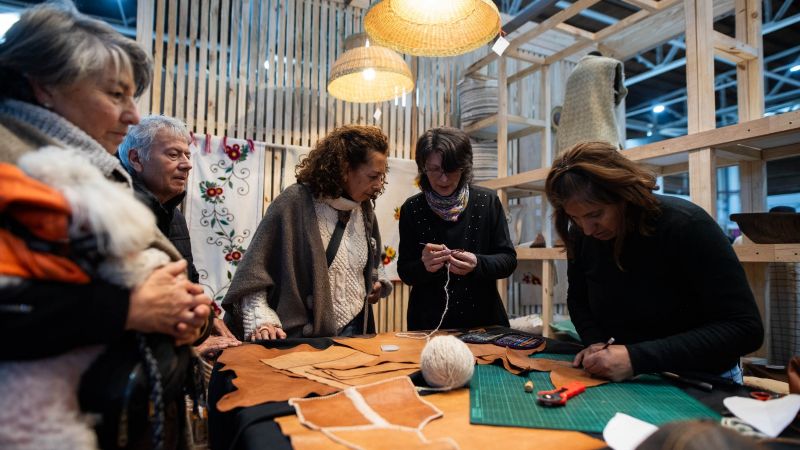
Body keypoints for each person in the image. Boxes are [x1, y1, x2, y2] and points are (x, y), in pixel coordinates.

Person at [0, 2, 211, 448]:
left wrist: (189, 315)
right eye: (116, 95)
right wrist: (129, 310)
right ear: (45, 86)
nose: (133, 115)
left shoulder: (92, 168)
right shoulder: (12, 160)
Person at [544, 141, 763, 382]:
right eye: (575, 218)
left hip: (701, 378)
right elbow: (578, 299)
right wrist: (595, 342)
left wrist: (636, 358)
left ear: (624, 194)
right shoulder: (582, 235)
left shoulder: (687, 225)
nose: (586, 229)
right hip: (628, 378)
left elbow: (745, 329)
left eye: (595, 215)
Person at [223, 125, 393, 341]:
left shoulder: (364, 208)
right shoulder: (294, 203)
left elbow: (372, 260)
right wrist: (261, 318)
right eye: (373, 176)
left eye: (382, 177)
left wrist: (377, 281)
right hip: (305, 338)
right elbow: (253, 272)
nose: (379, 185)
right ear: (344, 168)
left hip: (358, 330)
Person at [119, 115, 241, 358]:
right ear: (136, 159)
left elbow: (188, 280)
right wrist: (188, 349)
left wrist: (210, 316)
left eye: (187, 155)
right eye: (174, 155)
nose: (187, 165)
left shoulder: (173, 215)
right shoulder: (118, 214)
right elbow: (121, 309)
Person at [397, 126, 517, 331]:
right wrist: (424, 265)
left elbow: (508, 260)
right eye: (434, 169)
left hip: (483, 322)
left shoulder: (486, 201)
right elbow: (405, 271)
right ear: (423, 168)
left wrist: (478, 263)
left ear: (464, 166)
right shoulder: (412, 209)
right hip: (427, 325)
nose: (443, 179)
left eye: (451, 168)